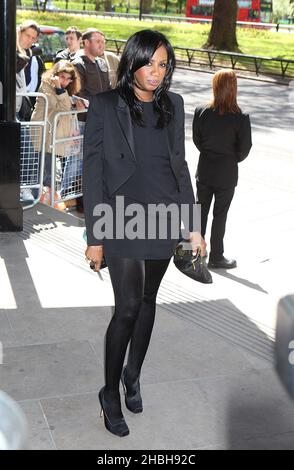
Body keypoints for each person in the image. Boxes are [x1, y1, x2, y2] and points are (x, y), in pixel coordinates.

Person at [83, 29, 205, 437]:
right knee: (128, 307)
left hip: (164, 218)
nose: (156, 72)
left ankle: (132, 375)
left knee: (149, 300)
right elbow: (95, 170)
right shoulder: (105, 105)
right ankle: (109, 393)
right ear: (132, 61)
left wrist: (193, 226)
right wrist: (95, 237)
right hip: (120, 218)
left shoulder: (174, 104)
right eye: (149, 63)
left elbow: (180, 166)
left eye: (163, 64)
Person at [192, 69, 252, 269]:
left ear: (215, 87)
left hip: (205, 170)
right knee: (220, 215)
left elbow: (197, 140)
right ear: (234, 88)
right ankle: (217, 256)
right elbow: (244, 149)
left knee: (200, 211)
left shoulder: (201, 112)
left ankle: (195, 252)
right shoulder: (241, 117)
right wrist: (229, 159)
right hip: (226, 173)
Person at [31, 60, 81, 209]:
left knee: (49, 166)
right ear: (55, 75)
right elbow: (62, 106)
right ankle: (39, 199)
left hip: (53, 132)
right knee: (41, 166)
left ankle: (47, 199)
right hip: (43, 131)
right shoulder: (46, 85)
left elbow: (65, 107)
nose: (64, 81)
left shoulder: (64, 90)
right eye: (62, 77)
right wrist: (59, 88)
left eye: (68, 78)